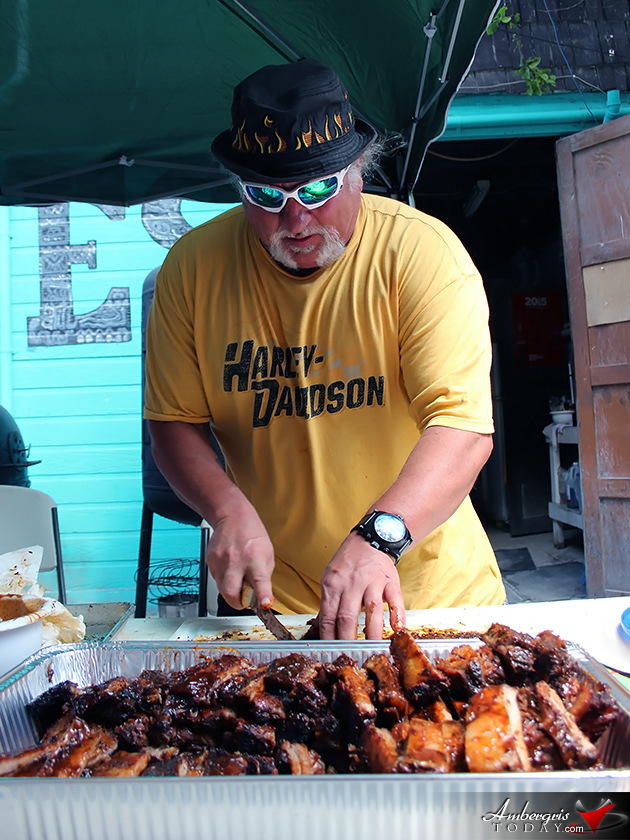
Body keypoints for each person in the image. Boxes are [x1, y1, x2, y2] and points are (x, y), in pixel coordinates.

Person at [144, 58, 506, 640]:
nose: (296, 218)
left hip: (430, 601)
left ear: (358, 169)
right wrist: (224, 507)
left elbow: (462, 429)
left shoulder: (421, 254)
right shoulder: (191, 270)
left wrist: (379, 537)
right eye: (267, 195)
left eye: (317, 188)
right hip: (279, 611)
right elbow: (173, 424)